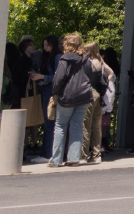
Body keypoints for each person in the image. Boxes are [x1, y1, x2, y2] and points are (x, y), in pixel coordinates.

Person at [46, 32, 93, 167]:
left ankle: (56, 160)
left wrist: (55, 92)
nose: (63, 44)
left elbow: (59, 78)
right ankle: (73, 159)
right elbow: (90, 76)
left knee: (60, 126)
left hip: (67, 96)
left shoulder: (65, 58)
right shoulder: (86, 58)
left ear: (69, 44)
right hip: (84, 95)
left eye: (65, 42)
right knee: (77, 125)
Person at [81, 41, 111, 163]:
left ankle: (83, 155)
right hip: (99, 95)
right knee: (96, 126)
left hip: (89, 94)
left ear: (90, 51)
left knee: (86, 126)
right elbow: (111, 73)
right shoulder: (101, 62)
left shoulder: (89, 62)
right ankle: (96, 154)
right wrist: (104, 83)